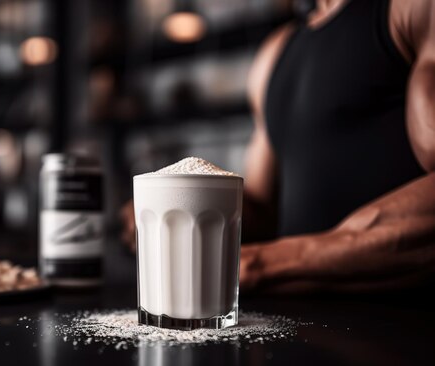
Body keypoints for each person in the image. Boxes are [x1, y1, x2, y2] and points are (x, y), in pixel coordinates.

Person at [121, 0, 435, 293]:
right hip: (302, 326)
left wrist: (268, 263)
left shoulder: (409, 10)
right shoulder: (275, 52)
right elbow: (260, 208)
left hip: (406, 325)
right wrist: (176, 210)